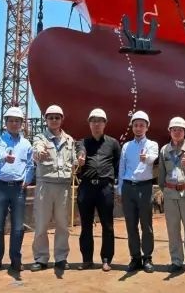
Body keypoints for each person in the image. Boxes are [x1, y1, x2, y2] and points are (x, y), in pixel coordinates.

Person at [30, 105, 80, 272]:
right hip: (45, 184)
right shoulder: (40, 138)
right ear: (46, 120)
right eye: (50, 117)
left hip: (64, 186)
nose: (54, 120)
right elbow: (36, 150)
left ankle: (61, 257)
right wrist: (40, 153)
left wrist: (79, 161)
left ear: (61, 119)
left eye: (57, 117)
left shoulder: (69, 140)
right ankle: (41, 258)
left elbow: (73, 161)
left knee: (63, 224)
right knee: (41, 224)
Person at [0, 106, 34, 273]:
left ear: (21, 124)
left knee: (18, 226)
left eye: (17, 121)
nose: (14, 123)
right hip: (0, 187)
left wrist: (27, 180)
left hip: (18, 188)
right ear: (5, 123)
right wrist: (6, 157)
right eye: (11, 120)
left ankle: (16, 259)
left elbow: (30, 165)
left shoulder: (26, 144)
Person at [75, 108, 120, 271]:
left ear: (105, 124)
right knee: (85, 225)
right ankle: (87, 259)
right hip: (87, 187)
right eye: (93, 121)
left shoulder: (113, 143)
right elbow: (80, 152)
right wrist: (80, 158)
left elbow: (117, 164)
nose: (96, 124)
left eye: (99, 121)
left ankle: (106, 259)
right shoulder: (82, 143)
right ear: (89, 124)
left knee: (107, 225)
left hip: (104, 188)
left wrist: (113, 184)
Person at [158, 116, 185, 273]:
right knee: (173, 229)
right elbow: (161, 174)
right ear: (169, 131)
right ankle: (176, 260)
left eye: (180, 130)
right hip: (170, 194)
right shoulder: (164, 150)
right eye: (174, 129)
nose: (177, 132)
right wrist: (164, 190)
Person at [117, 110, 159, 273]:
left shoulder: (152, 144)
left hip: (145, 187)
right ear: (132, 127)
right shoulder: (126, 146)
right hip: (128, 187)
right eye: (136, 125)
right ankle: (135, 257)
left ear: (147, 127)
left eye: (142, 125)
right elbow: (122, 168)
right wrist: (119, 189)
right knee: (131, 224)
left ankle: (147, 257)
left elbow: (153, 157)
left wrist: (146, 158)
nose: (138, 128)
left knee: (146, 224)